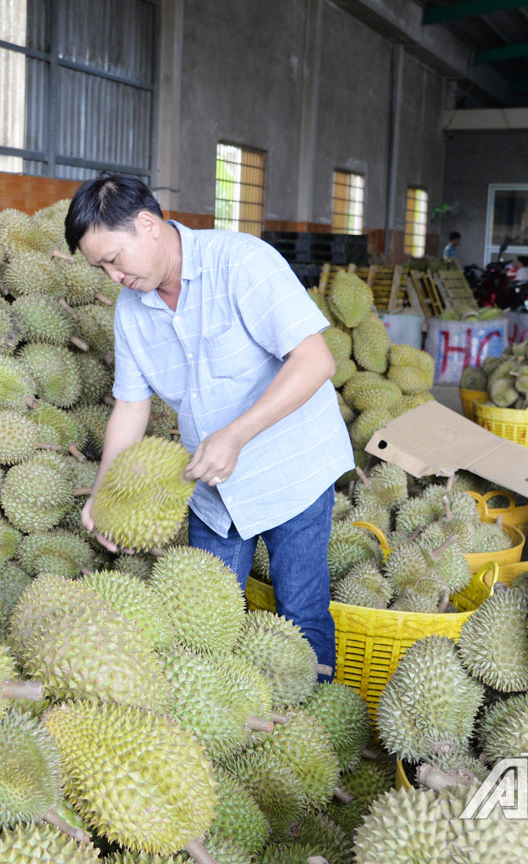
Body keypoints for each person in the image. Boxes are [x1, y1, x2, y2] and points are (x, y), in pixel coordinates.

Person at [64, 175, 353, 675]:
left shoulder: (241, 262)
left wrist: (237, 434)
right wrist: (102, 493)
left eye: (114, 258)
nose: (113, 276)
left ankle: (318, 729)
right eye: (100, 268)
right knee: (198, 626)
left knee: (302, 614)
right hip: (214, 490)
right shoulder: (131, 310)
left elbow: (314, 361)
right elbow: (130, 407)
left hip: (293, 472)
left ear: (147, 225)